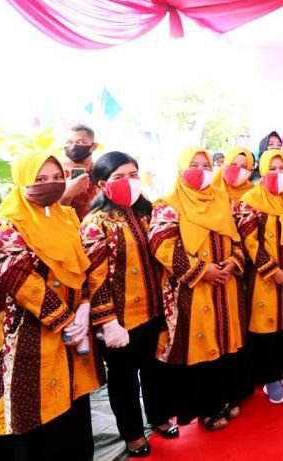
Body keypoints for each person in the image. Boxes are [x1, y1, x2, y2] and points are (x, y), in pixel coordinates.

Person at [0, 151, 103, 461]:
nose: (51, 184)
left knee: (73, 407)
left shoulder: (67, 217)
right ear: (22, 181)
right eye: (40, 179)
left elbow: (82, 265)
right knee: (33, 412)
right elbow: (19, 278)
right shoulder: (7, 225)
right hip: (27, 336)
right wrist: (67, 319)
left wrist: (84, 307)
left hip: (73, 336)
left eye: (57, 177)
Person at [82, 151, 178, 457]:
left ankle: (159, 416)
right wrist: (107, 321)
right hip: (119, 320)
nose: (128, 181)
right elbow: (94, 279)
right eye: (119, 177)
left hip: (154, 310)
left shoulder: (147, 213)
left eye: (133, 175)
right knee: (123, 380)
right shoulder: (95, 223)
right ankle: (132, 433)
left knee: (156, 370)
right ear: (102, 184)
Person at [149, 147, 248, 432]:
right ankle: (207, 408)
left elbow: (237, 238)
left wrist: (232, 262)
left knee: (226, 342)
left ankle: (226, 397)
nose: (201, 170)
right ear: (180, 170)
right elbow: (161, 246)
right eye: (193, 165)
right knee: (201, 347)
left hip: (226, 285)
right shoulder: (168, 205)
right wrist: (203, 271)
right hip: (192, 290)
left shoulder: (222, 199)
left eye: (206, 165)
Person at [236, 149, 283, 404]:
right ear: (262, 170)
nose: (278, 174)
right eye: (272, 169)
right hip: (264, 277)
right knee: (266, 328)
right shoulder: (250, 201)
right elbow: (250, 243)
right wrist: (272, 271)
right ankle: (270, 378)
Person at [60, 123, 101, 220]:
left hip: (95, 226)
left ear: (94, 146)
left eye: (80, 142)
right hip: (67, 226)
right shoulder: (57, 172)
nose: (73, 146)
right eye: (69, 142)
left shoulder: (100, 171)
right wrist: (67, 193)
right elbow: (48, 210)